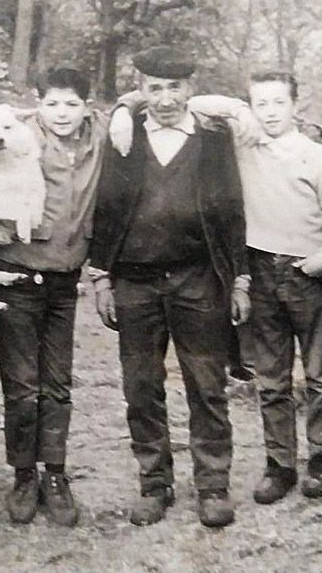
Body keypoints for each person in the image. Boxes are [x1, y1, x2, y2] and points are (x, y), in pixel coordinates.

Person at [89, 46, 250, 529]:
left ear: (190, 89)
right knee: (141, 386)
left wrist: (239, 278)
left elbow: (232, 211)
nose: (164, 99)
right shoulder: (122, 138)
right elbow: (106, 207)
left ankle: (213, 485)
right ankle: (154, 483)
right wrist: (100, 276)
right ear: (140, 90)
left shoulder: (214, 139)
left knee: (206, 383)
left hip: (198, 279)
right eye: (154, 88)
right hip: (135, 282)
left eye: (174, 87)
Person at [0, 67, 107, 526]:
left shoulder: (97, 135)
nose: (62, 113)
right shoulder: (17, 134)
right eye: (52, 103)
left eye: (71, 104)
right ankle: (23, 474)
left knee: (58, 383)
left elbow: (133, 106)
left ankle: (55, 474)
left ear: (87, 106)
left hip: (64, 279)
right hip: (17, 275)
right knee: (21, 383)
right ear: (37, 103)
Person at [182, 72, 322, 504]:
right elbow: (193, 103)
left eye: (278, 103)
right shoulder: (242, 146)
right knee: (271, 379)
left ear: (295, 105)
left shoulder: (317, 156)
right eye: (260, 104)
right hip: (259, 272)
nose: (270, 113)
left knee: (318, 375)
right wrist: (237, 109)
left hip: (306, 274)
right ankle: (280, 465)